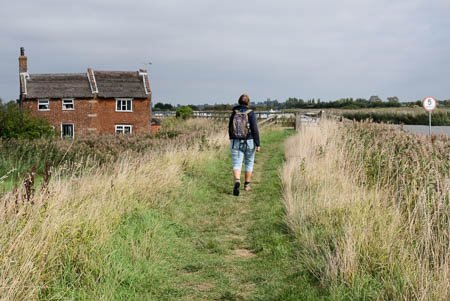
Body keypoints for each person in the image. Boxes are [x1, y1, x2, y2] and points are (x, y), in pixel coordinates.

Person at [228, 93, 260, 196]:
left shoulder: (234, 112)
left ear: (239, 102)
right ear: (248, 102)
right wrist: (258, 143)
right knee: (249, 162)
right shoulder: (251, 113)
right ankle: (246, 185)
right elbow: (255, 129)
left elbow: (230, 127)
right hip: (249, 141)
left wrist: (232, 138)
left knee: (237, 163)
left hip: (236, 141)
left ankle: (237, 180)